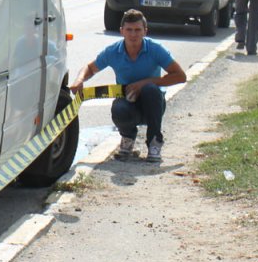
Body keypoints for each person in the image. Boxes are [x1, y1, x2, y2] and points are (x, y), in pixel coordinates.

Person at [68, 9, 187, 162]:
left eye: (138, 30)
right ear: (121, 31)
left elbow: (180, 76)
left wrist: (144, 83)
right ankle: (127, 139)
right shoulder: (113, 51)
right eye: (129, 30)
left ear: (145, 31)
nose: (133, 34)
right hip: (127, 102)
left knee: (150, 90)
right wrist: (79, 80)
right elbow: (90, 68)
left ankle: (154, 143)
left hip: (152, 105)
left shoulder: (155, 49)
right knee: (118, 108)